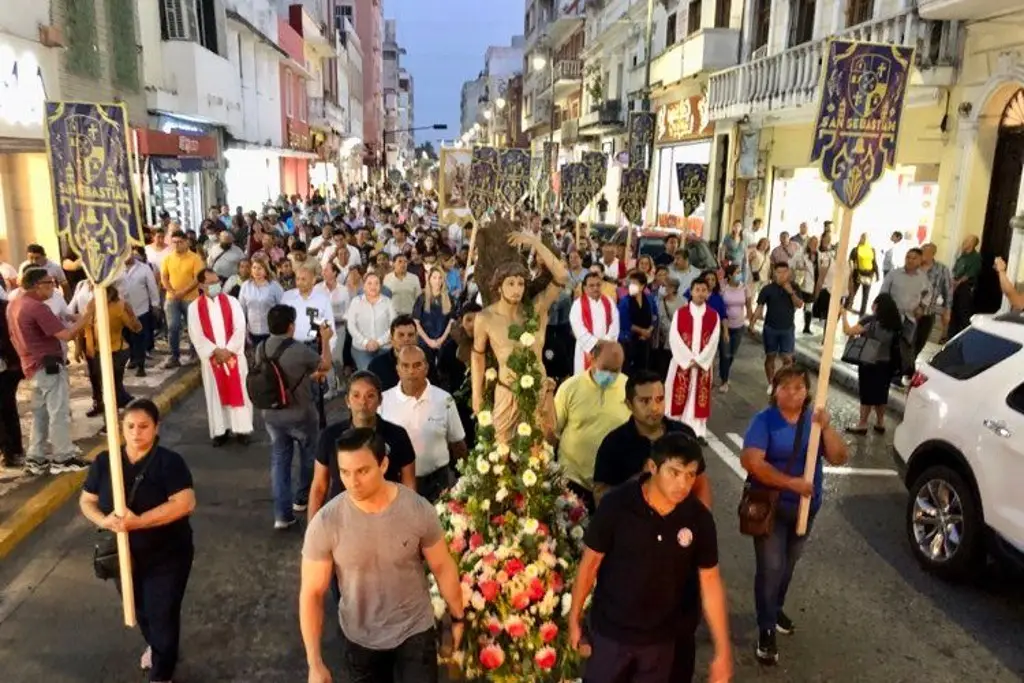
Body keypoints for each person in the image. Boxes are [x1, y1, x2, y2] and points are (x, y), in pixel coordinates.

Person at [300, 428, 466, 683]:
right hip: (360, 639)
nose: (352, 482)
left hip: (415, 632)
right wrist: (314, 663)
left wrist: (458, 618)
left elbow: (442, 566)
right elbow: (311, 593)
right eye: (345, 472)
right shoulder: (327, 522)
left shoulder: (417, 510)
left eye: (362, 471)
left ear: (384, 464)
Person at [568, 432, 733, 683]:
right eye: (674, 472)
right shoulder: (617, 505)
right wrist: (574, 618)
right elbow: (590, 563)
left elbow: (710, 581)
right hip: (611, 634)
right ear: (653, 467)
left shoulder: (698, 518)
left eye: (690, 475)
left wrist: (722, 650)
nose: (683, 484)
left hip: (660, 642)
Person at [79, 399, 195, 683]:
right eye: (130, 426)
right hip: (124, 556)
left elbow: (185, 503)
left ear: (156, 428)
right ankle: (156, 647)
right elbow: (87, 500)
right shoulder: (106, 462)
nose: (136, 433)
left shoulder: (169, 462)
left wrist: (139, 521)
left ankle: (161, 674)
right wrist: (103, 521)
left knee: (163, 613)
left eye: (144, 426)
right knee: (141, 610)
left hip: (168, 554)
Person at [739, 366, 849, 666]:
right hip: (771, 509)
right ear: (775, 391)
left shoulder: (813, 421)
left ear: (808, 391)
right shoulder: (765, 421)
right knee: (771, 567)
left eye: (799, 387)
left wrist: (826, 428)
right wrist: (792, 484)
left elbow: (840, 456)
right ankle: (765, 629)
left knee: (788, 566)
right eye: (785, 387)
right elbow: (751, 461)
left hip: (805, 511)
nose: (792, 392)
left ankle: (775, 608)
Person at [471, 227, 568, 443]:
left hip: (538, 391)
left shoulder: (536, 310)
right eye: (511, 283)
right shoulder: (485, 318)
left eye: (521, 283)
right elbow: (477, 356)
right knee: (501, 451)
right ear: (499, 287)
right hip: (506, 391)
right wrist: (476, 394)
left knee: (540, 451)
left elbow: (561, 275)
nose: (517, 289)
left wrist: (534, 241)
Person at [7, 267, 94, 474]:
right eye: (49, 283)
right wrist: (88, 315)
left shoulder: (14, 304)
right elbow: (67, 334)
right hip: (48, 366)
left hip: (31, 365)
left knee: (41, 414)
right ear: (38, 285)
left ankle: (36, 457)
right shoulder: (37, 307)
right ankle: (63, 457)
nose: (53, 287)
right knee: (58, 413)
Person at [259, 304, 333, 529]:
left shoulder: (261, 348)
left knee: (280, 460)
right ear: (291, 326)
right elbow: (325, 365)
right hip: (301, 414)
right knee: (309, 455)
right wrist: (326, 339)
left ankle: (282, 515)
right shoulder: (299, 350)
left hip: (271, 413)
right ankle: (302, 498)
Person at [309, 371, 417, 521]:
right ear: (347, 400)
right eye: (356, 395)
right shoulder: (330, 436)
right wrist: (312, 533)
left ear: (380, 400)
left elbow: (408, 483)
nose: (363, 402)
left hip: (387, 518)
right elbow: (319, 486)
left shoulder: (397, 435)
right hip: (342, 520)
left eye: (370, 396)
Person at [593, 370, 708, 507]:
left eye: (659, 399)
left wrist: (703, 519)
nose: (654, 408)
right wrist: (640, 479)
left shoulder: (684, 434)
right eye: (644, 401)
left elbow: (700, 483)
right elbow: (601, 497)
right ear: (629, 404)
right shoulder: (614, 444)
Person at [380, 346, 467, 503]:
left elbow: (457, 444)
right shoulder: (383, 402)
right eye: (405, 365)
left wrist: (466, 479)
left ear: (426, 368)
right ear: (397, 369)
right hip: (397, 486)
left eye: (417, 365)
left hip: (439, 484)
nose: (411, 371)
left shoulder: (444, 399)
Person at [553, 341, 630, 512]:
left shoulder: (629, 389)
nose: (609, 375)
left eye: (615, 370)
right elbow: (553, 431)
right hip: (573, 481)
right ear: (592, 359)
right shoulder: (570, 388)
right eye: (605, 368)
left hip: (613, 485)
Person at [187, 268, 253, 446]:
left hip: (234, 358)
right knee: (216, 394)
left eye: (218, 281)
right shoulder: (194, 308)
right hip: (212, 360)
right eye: (211, 282)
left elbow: (240, 326)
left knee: (240, 391)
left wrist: (229, 350)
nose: (217, 285)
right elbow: (196, 334)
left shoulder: (232, 302)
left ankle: (242, 429)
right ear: (201, 285)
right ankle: (220, 430)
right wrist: (216, 351)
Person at [665, 277, 720, 442]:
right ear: (691, 291)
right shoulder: (681, 313)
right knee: (677, 394)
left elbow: (713, 341)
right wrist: (687, 360)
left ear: (708, 293)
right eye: (697, 290)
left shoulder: (713, 315)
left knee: (699, 397)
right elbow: (674, 337)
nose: (701, 293)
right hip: (683, 363)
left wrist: (701, 360)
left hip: (702, 366)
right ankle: (675, 427)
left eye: (704, 290)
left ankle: (698, 431)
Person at [842, 293, 904, 434]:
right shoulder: (896, 324)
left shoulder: (871, 321)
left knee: (867, 394)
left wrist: (844, 314)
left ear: (877, 306)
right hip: (887, 364)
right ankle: (880, 422)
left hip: (869, 362)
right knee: (881, 394)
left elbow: (848, 331)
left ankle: (862, 424)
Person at [80, 285, 140, 416]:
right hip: (98, 352)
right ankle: (109, 406)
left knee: (110, 388)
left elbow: (136, 328)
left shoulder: (118, 307)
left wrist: (130, 313)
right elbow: (85, 327)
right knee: (103, 383)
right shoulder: (94, 305)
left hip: (115, 352)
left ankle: (112, 419)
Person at [749, 263, 803, 394]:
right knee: (770, 357)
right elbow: (760, 307)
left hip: (787, 328)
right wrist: (752, 323)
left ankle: (780, 382)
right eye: (779, 272)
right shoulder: (767, 289)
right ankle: (771, 383)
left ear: (788, 273)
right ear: (774, 273)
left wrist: (790, 292)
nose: (782, 275)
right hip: (770, 328)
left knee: (788, 360)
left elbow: (800, 304)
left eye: (784, 272)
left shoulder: (794, 287)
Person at [160, 230, 205, 368]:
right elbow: (164, 277)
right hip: (172, 297)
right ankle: (174, 356)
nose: (177, 245)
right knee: (173, 326)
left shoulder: (195, 258)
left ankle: (194, 354)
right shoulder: (167, 258)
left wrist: (183, 291)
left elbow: (198, 278)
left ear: (186, 242)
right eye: (174, 243)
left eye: (180, 242)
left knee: (192, 327)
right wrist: (172, 291)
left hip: (190, 298)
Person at [569, 271, 620, 375]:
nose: (595, 288)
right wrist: (595, 344)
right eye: (591, 286)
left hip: (606, 349)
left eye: (598, 285)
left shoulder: (609, 301)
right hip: (586, 350)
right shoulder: (578, 304)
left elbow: (615, 324)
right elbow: (578, 328)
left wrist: (606, 341)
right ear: (585, 288)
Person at [347, 272, 397, 370]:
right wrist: (365, 342)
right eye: (369, 283)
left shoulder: (388, 302)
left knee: (384, 372)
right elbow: (351, 326)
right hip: (361, 348)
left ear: (381, 286)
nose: (373, 286)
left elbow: (393, 326)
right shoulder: (356, 302)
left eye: (376, 283)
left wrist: (379, 342)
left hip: (384, 347)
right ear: (364, 286)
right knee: (368, 371)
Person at [616, 271, 657, 374]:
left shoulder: (649, 298)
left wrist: (649, 330)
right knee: (629, 369)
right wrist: (642, 331)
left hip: (646, 339)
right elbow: (624, 322)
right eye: (630, 283)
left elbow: (655, 316)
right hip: (629, 340)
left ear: (643, 286)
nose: (631, 286)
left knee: (644, 368)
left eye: (635, 283)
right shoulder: (624, 301)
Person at [238, 258, 284, 348]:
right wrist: (242, 329)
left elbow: (282, 308)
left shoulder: (274, 286)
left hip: (271, 331)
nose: (256, 271)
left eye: (260, 268)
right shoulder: (245, 286)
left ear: (266, 270)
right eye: (254, 268)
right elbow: (242, 309)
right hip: (252, 331)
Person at [412, 266, 455, 360]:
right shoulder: (422, 298)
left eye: (440, 278)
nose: (437, 281)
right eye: (434, 277)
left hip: (444, 342)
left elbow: (451, 321)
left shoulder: (449, 299)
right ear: (429, 279)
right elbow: (416, 322)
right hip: (424, 342)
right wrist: (429, 341)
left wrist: (441, 340)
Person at [718, 266, 748, 393]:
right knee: (725, 354)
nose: (740, 274)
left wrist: (751, 322)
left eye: (740, 272)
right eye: (737, 272)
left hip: (739, 325)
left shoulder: (744, 288)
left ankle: (724, 372)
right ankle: (724, 381)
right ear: (729, 275)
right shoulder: (723, 288)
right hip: (725, 326)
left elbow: (748, 304)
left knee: (732, 354)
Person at [948, 234, 982, 338]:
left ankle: (963, 337)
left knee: (963, 313)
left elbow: (969, 274)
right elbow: (955, 270)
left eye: (967, 240)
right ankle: (950, 337)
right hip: (956, 285)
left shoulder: (976, 257)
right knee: (953, 313)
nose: (964, 241)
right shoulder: (961, 255)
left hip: (965, 287)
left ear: (972, 244)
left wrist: (957, 284)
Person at [847, 233, 879, 317]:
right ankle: (848, 306)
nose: (864, 240)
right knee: (852, 291)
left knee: (866, 295)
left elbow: (874, 262)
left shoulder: (872, 250)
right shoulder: (856, 249)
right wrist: (850, 272)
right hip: (857, 273)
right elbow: (850, 260)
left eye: (866, 238)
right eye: (863, 238)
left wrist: (877, 274)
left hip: (869, 274)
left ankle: (862, 312)